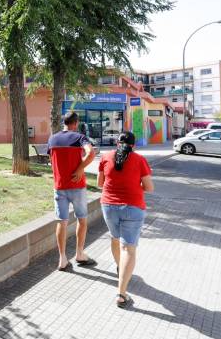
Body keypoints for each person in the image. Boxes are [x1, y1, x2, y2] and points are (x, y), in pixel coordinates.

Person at [97, 131, 154, 308]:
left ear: (117, 143)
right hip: (133, 208)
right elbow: (149, 187)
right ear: (133, 145)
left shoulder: (106, 157)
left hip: (108, 207)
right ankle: (121, 294)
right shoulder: (139, 160)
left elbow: (100, 183)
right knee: (128, 248)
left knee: (115, 239)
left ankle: (120, 267)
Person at [48, 112, 97, 272]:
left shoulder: (52, 139)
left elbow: (52, 162)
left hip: (59, 186)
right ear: (75, 123)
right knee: (82, 220)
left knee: (61, 221)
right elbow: (91, 153)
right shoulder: (79, 137)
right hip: (77, 187)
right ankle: (79, 254)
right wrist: (80, 169)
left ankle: (62, 259)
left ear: (64, 122)